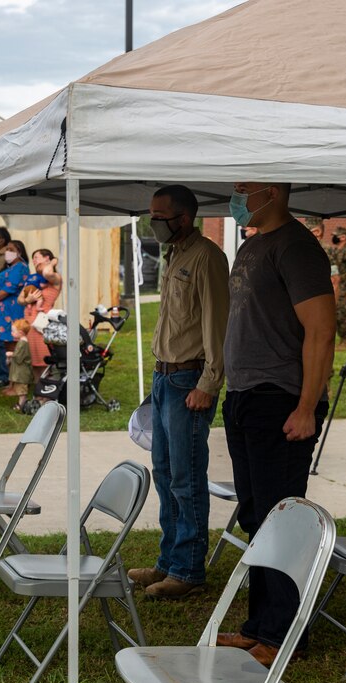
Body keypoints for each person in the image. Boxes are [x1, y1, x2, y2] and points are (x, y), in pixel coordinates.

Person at [216, 182, 335, 666]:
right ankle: (259, 626)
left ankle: (285, 635)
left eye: (245, 189)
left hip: (280, 400)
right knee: (254, 516)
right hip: (244, 397)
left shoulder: (297, 247)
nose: (236, 196)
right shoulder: (252, 243)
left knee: (281, 520)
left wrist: (306, 407)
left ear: (272, 192)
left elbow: (321, 330)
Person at [126, 184, 229, 600]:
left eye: (159, 215)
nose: (153, 222)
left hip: (190, 380)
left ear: (183, 219)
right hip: (164, 378)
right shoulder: (175, 255)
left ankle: (188, 570)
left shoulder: (207, 256)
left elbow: (216, 325)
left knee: (186, 479)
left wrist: (208, 382)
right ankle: (169, 561)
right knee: (166, 474)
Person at [0, 239, 28, 388]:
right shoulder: (10, 267)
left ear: (19, 252)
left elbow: (8, 289)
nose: (7, 252)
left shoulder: (20, 268)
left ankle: (3, 376)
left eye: (10, 249)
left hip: (8, 310)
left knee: (1, 342)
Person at [17, 248, 62, 378]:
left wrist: (53, 263)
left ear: (47, 258)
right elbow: (19, 299)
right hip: (29, 323)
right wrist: (27, 300)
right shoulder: (33, 279)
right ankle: (39, 391)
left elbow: (48, 272)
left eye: (37, 257)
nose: (34, 261)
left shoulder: (54, 278)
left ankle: (48, 391)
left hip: (41, 325)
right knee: (34, 361)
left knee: (44, 360)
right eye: (33, 258)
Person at [326, 226, 346, 350]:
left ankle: (345, 341)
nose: (333, 237)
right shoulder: (334, 251)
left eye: (336, 235)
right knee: (335, 313)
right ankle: (337, 340)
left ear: (343, 237)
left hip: (345, 288)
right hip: (335, 287)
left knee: (343, 314)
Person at [7, 319, 33, 411]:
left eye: (13, 331)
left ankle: (22, 404)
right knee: (19, 387)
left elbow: (19, 357)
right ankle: (21, 403)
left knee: (22, 389)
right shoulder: (22, 342)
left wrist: (11, 354)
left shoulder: (23, 343)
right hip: (20, 371)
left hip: (22, 372)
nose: (12, 333)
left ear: (21, 332)